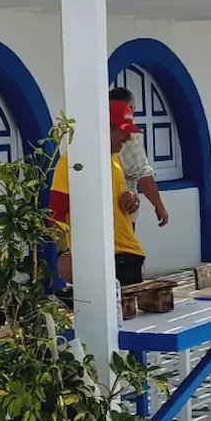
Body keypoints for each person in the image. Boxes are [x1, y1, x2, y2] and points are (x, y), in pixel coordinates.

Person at [48, 97, 146, 287]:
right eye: (123, 131)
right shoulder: (72, 163)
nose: (128, 138)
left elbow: (120, 200)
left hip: (130, 256)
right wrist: (63, 253)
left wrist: (132, 198)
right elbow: (55, 215)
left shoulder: (115, 159)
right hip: (99, 260)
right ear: (106, 128)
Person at [108, 86, 169, 227]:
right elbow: (143, 175)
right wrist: (160, 207)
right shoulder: (127, 135)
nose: (126, 138)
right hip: (121, 217)